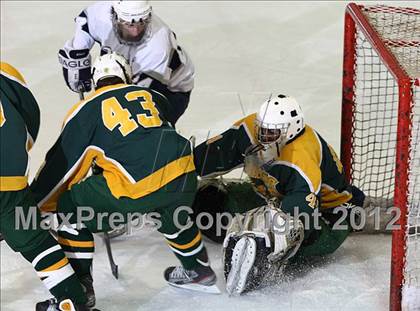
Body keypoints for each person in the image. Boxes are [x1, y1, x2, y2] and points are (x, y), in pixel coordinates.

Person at [30, 52, 219, 310]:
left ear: (96, 82)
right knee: (172, 214)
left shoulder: (86, 108)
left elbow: (61, 169)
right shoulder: (155, 97)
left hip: (135, 183)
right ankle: (199, 271)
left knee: (69, 207)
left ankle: (80, 290)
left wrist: (32, 205)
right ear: (127, 76)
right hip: (184, 171)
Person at [192, 94, 369, 295]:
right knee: (205, 204)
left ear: (290, 132)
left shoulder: (301, 159)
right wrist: (182, 167)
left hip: (328, 213)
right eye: (262, 129)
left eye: (271, 132)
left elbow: (300, 218)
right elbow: (213, 155)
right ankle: (255, 237)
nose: (262, 136)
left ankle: (261, 254)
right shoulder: (252, 127)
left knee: (285, 239)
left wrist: (270, 237)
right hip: (272, 195)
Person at [0, 62, 90, 311]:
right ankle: (73, 302)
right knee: (36, 241)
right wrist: (18, 153)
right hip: (10, 175)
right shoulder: (5, 71)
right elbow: (31, 114)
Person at [58, 0, 194, 125]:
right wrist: (78, 54)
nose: (135, 31)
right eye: (129, 24)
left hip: (170, 90)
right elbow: (85, 24)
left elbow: (138, 100)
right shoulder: (101, 14)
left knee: (142, 128)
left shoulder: (157, 47)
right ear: (115, 15)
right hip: (126, 70)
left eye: (142, 22)